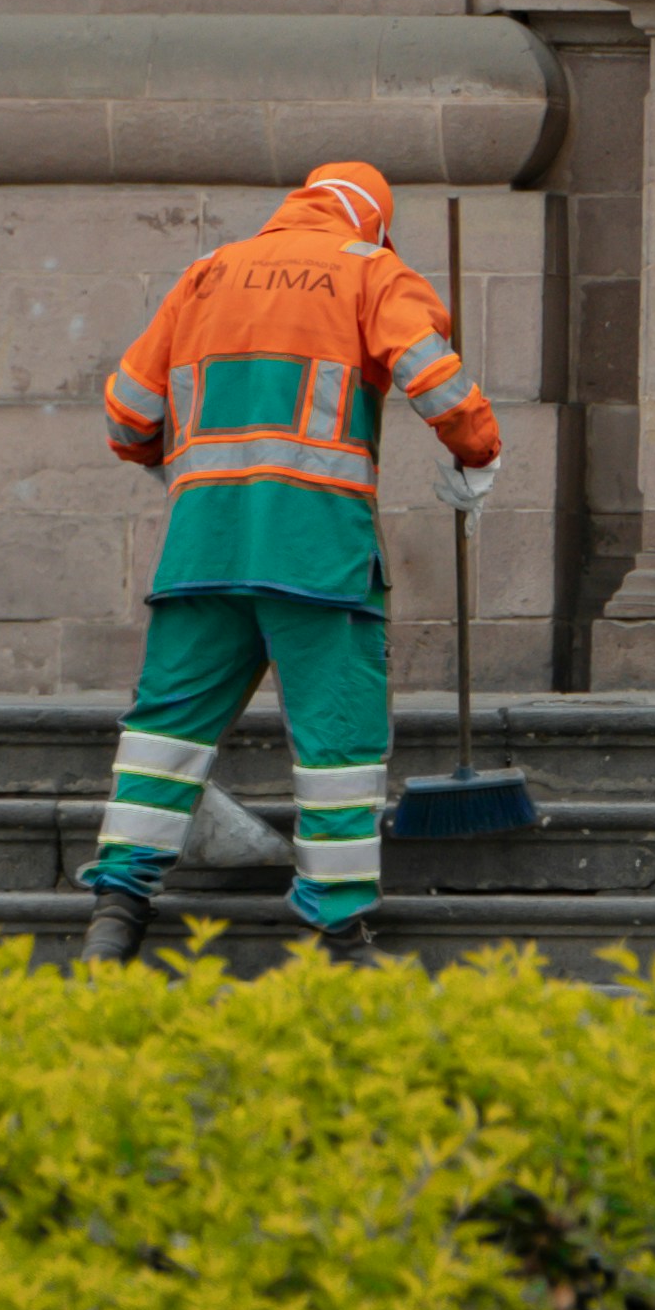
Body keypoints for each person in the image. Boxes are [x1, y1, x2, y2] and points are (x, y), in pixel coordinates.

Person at [81, 158, 501, 968]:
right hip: (317, 552)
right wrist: (476, 454)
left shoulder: (206, 274)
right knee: (337, 742)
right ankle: (335, 928)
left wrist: (183, 467)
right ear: (371, 219)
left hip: (203, 547)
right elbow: (435, 381)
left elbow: (129, 414)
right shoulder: (372, 271)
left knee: (164, 732)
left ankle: (117, 910)